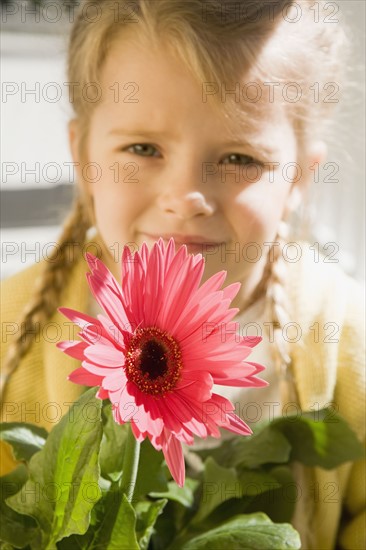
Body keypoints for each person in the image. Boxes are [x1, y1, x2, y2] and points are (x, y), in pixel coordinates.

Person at [1, 1, 364, 548]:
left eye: (240, 159)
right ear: (83, 159)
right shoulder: (12, 328)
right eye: (143, 148)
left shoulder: (345, 343)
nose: (186, 198)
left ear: (298, 181)